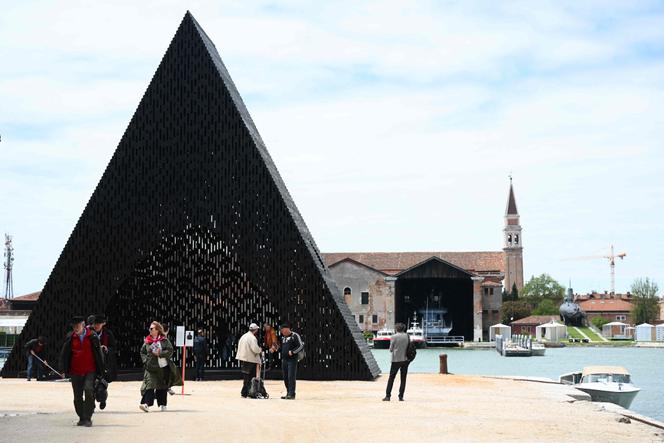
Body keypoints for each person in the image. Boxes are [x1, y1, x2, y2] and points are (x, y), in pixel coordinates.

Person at [59, 316, 106, 427]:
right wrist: (62, 369)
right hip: (75, 371)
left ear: (83, 325)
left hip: (90, 370)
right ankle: (81, 417)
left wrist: (102, 370)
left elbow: (99, 354)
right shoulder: (70, 338)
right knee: (77, 396)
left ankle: (88, 417)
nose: (75, 328)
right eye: (74, 326)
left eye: (78, 326)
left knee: (89, 390)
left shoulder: (92, 336)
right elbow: (64, 354)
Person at [139, 321, 182, 412]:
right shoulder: (147, 341)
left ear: (157, 330)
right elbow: (142, 352)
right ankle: (146, 404)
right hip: (151, 367)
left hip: (163, 367)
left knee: (162, 386)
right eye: (150, 328)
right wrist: (145, 360)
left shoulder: (164, 340)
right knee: (150, 385)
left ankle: (163, 404)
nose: (150, 330)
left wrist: (160, 353)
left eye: (152, 328)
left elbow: (170, 350)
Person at [90, 314, 116, 409]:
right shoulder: (89, 333)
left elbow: (114, 348)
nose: (96, 325)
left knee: (101, 387)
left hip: (104, 365)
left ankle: (102, 399)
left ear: (103, 324)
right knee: (90, 386)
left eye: (98, 323)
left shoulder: (108, 334)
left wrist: (106, 349)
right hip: (91, 364)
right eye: (95, 323)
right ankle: (91, 403)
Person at [382, 322, 410, 402]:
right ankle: (401, 397)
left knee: (391, 378)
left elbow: (391, 349)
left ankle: (388, 396)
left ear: (396, 329)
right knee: (403, 379)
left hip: (396, 360)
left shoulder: (394, 336)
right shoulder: (407, 336)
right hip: (405, 359)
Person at [235, 323, 262, 398]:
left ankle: (244, 392)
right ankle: (250, 392)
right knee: (251, 377)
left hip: (244, 358)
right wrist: (260, 350)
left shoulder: (244, 336)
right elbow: (255, 349)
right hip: (251, 359)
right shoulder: (252, 338)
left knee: (246, 376)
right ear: (255, 330)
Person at [279, 322, 304, 400]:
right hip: (284, 360)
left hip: (292, 360)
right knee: (285, 377)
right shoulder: (283, 338)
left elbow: (300, 346)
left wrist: (293, 352)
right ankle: (288, 393)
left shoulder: (295, 336)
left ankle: (292, 393)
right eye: (281, 332)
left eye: (283, 331)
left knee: (291, 377)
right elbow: (282, 348)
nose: (282, 333)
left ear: (287, 329)